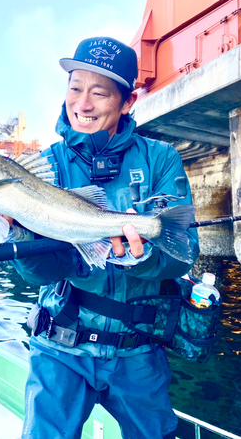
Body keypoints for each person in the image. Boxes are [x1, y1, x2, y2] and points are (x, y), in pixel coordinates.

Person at [13, 37, 199, 439]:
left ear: (127, 101)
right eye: (75, 88)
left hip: (139, 351)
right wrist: (15, 229)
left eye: (99, 92)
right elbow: (38, 274)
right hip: (59, 347)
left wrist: (142, 258)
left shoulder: (160, 158)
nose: (82, 104)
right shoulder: (46, 164)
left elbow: (183, 255)